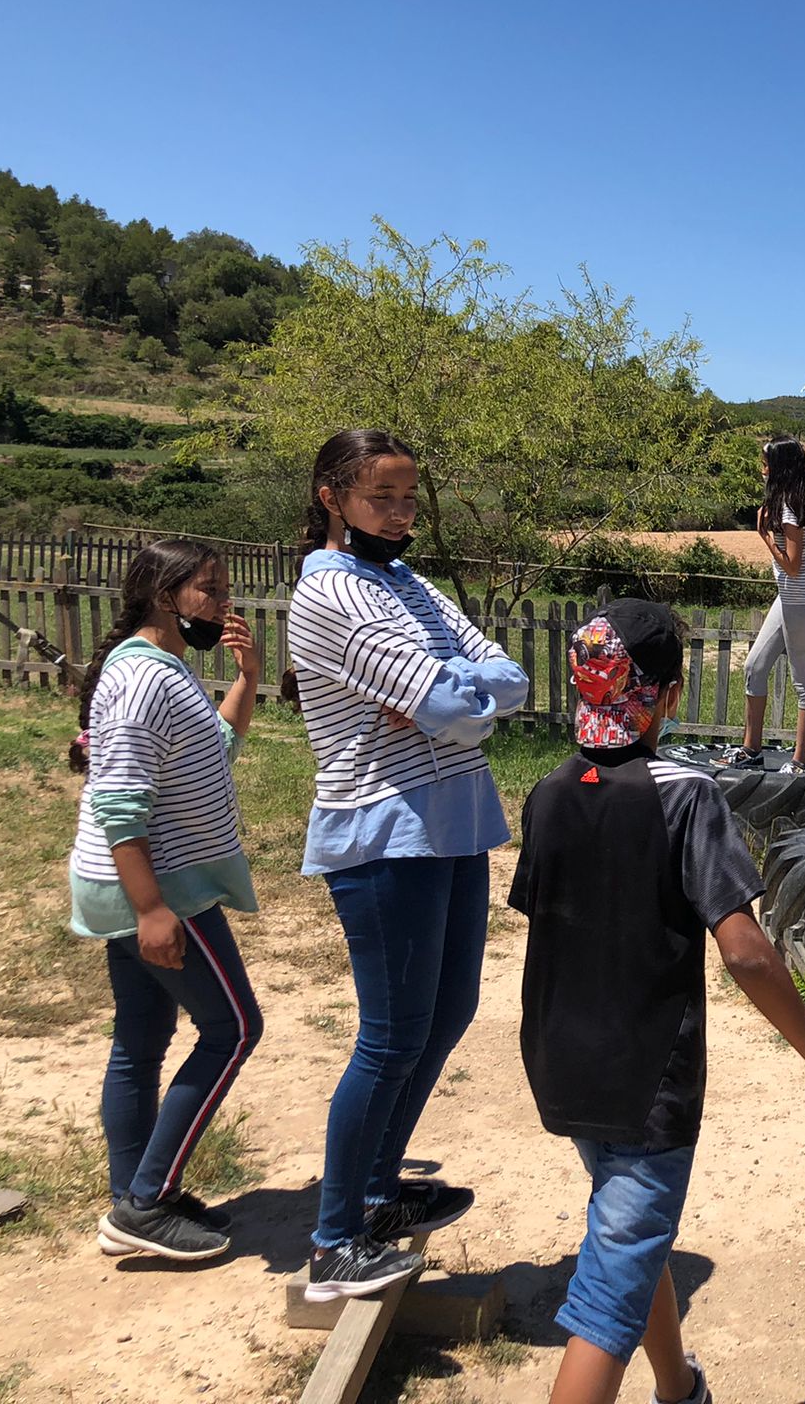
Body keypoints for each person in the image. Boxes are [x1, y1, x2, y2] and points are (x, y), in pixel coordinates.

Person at [512, 600, 805, 1404]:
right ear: (671, 698)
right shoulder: (686, 795)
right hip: (646, 1075)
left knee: (629, 1240)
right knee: (606, 1295)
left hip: (560, 1060)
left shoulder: (546, 793)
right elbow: (745, 950)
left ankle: (679, 1387)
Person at [285, 428, 532, 1298]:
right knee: (390, 1037)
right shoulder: (332, 595)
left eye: (405, 498)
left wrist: (452, 704)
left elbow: (510, 679)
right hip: (385, 829)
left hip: (454, 821)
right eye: (380, 496)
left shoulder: (407, 583)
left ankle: (379, 1192)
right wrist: (450, 699)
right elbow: (445, 692)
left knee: (447, 1014)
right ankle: (333, 1238)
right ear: (332, 497)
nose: (397, 512)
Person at [70, 539, 265, 1263]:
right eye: (209, 590)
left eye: (224, 590)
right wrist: (152, 911)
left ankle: (132, 1197)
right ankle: (147, 1201)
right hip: (161, 889)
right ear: (164, 594)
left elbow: (218, 746)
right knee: (235, 1027)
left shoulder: (167, 668)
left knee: (140, 1042)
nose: (223, 604)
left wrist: (246, 677)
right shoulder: (146, 679)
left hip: (143, 885)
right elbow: (120, 803)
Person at [722, 437, 805, 772]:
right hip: (794, 596)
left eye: (766, 464)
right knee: (754, 666)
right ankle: (751, 748)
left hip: (801, 600)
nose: (762, 470)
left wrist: (764, 536)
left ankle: (799, 761)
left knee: (804, 681)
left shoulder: (789, 508)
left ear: (780, 468)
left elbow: (794, 565)